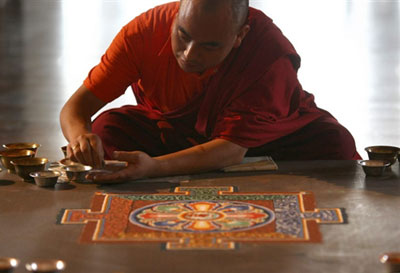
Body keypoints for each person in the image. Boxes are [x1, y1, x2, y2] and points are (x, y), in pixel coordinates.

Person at [60, 0, 360, 183]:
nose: (189, 54)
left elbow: (232, 148)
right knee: (106, 128)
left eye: (210, 46)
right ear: (177, 12)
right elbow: (76, 108)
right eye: (183, 35)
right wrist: (80, 139)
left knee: (334, 143)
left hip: (256, 141)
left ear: (240, 36)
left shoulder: (267, 52)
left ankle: (167, 164)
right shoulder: (143, 33)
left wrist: (153, 169)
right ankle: (184, 161)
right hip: (175, 134)